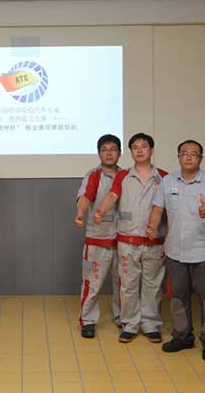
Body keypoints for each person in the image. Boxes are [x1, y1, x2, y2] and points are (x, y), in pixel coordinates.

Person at [146, 140, 205, 361]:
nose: (188, 157)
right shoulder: (167, 182)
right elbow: (158, 208)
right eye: (184, 153)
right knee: (178, 296)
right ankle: (182, 336)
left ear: (201, 158)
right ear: (178, 157)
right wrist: (151, 227)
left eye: (193, 153)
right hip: (175, 251)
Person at [95, 133, 168, 344]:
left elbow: (171, 210)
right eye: (135, 147)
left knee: (153, 285)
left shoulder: (164, 177)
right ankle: (129, 324)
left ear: (151, 150)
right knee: (127, 285)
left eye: (143, 146)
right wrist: (101, 211)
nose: (139, 150)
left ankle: (151, 324)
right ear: (130, 152)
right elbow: (112, 195)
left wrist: (168, 239)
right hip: (128, 240)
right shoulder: (123, 176)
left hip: (155, 242)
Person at [74, 134, 122, 339]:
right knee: (91, 283)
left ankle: (123, 318)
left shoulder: (127, 175)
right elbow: (85, 196)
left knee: (123, 284)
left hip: (123, 240)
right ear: (99, 153)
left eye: (113, 149)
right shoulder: (93, 175)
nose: (109, 153)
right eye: (104, 150)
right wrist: (80, 213)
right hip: (97, 240)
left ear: (120, 152)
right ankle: (88, 321)